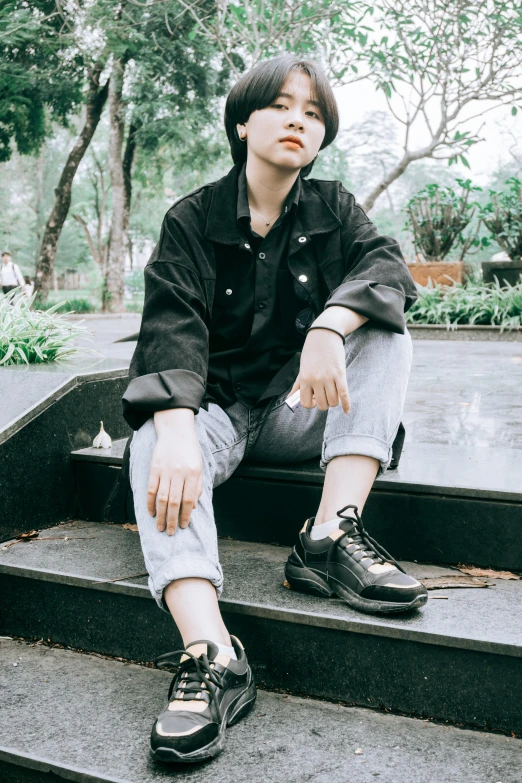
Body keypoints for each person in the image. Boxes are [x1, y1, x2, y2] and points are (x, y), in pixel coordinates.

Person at [120, 54, 428, 764]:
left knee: (383, 326)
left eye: (313, 112)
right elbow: (171, 332)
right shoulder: (191, 220)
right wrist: (174, 434)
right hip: (219, 415)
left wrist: (329, 326)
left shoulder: (333, 207)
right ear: (242, 122)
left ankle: (328, 535)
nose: (298, 119)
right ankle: (212, 653)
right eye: (282, 105)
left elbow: (387, 268)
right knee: (153, 440)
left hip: (299, 412)